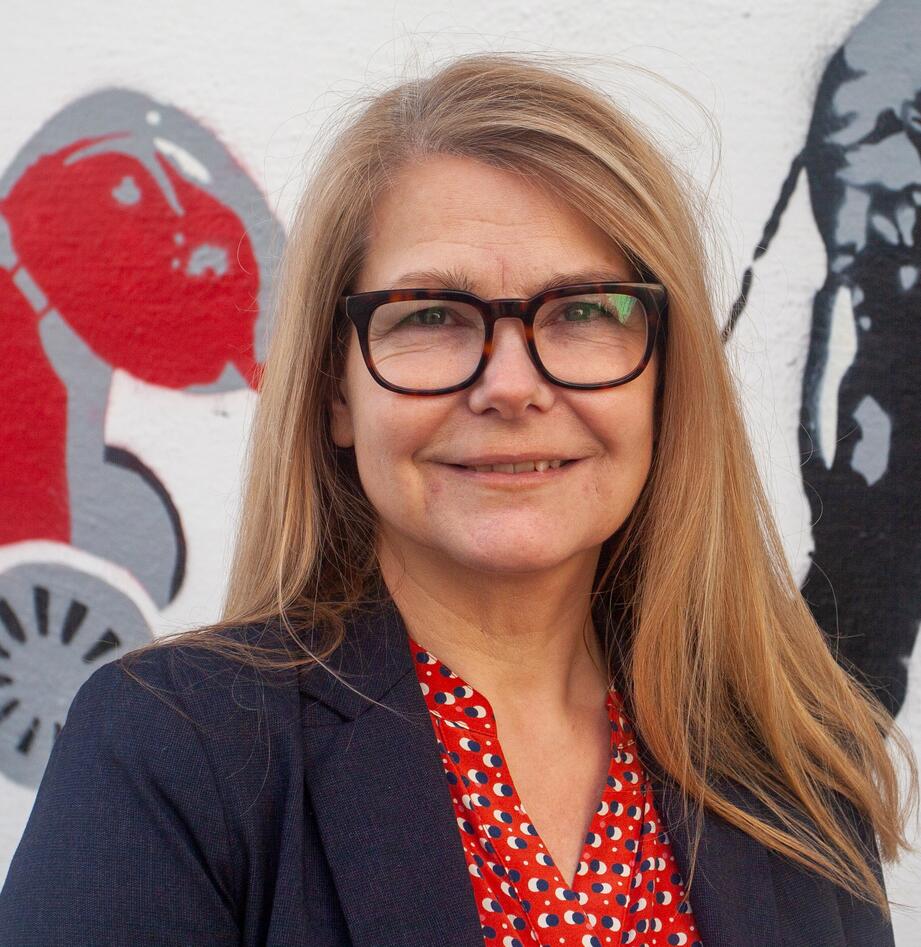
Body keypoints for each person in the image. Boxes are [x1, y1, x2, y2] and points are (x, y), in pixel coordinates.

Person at [0, 51, 917, 947]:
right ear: (335, 390)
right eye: (432, 315)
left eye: (584, 311)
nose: (510, 386)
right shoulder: (170, 749)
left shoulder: (798, 774)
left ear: (663, 381)